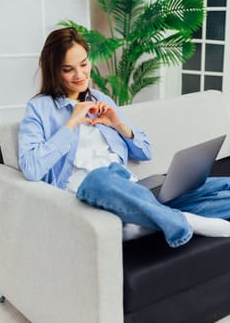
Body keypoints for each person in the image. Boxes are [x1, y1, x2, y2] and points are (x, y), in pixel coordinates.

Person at [19, 27, 230, 248]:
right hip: (92, 193)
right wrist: (71, 123)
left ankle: (145, 222)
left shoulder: (101, 99)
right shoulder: (39, 109)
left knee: (223, 186)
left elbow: (145, 152)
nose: (80, 75)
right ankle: (185, 222)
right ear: (54, 71)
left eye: (83, 64)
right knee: (102, 178)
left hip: (133, 191)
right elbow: (32, 169)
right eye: (68, 69)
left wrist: (118, 125)